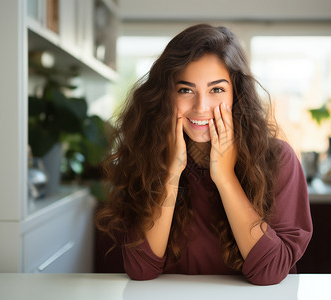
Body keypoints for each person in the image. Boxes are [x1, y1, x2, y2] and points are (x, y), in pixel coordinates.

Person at [95, 24, 312, 286]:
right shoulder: (147, 157)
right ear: (167, 95)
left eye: (217, 90)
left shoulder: (278, 159)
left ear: (237, 94)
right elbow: (141, 270)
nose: (201, 107)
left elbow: (271, 271)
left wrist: (225, 177)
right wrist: (172, 172)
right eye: (185, 90)